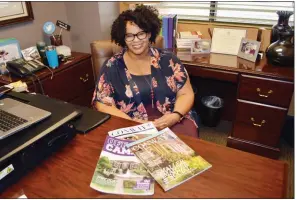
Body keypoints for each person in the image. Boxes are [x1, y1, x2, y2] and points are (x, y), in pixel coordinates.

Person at [92, 5, 199, 138]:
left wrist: (175, 116)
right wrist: (132, 123)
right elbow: (102, 104)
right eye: (129, 36)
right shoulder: (112, 67)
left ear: (149, 34)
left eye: (141, 34)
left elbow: (186, 93)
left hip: (173, 120)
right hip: (132, 125)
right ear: (123, 38)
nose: (136, 40)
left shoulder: (168, 60)